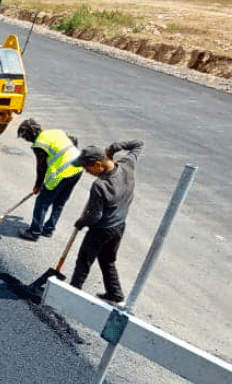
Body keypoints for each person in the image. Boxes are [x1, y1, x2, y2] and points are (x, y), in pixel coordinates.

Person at [67, 139, 144, 305]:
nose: (86, 172)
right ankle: (114, 294)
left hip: (101, 229)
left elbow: (94, 217)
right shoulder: (127, 165)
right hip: (119, 226)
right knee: (107, 260)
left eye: (87, 168)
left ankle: (71, 294)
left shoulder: (100, 185)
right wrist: (115, 148)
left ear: (97, 164)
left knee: (84, 261)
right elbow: (138, 144)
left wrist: (81, 222)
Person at [15, 119, 83, 241]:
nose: (26, 140)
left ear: (31, 133)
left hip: (62, 172)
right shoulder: (55, 132)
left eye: (25, 137)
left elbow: (41, 168)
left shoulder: (39, 144)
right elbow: (74, 139)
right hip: (77, 169)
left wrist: (38, 185)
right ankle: (48, 229)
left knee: (42, 202)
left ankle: (34, 232)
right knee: (59, 202)